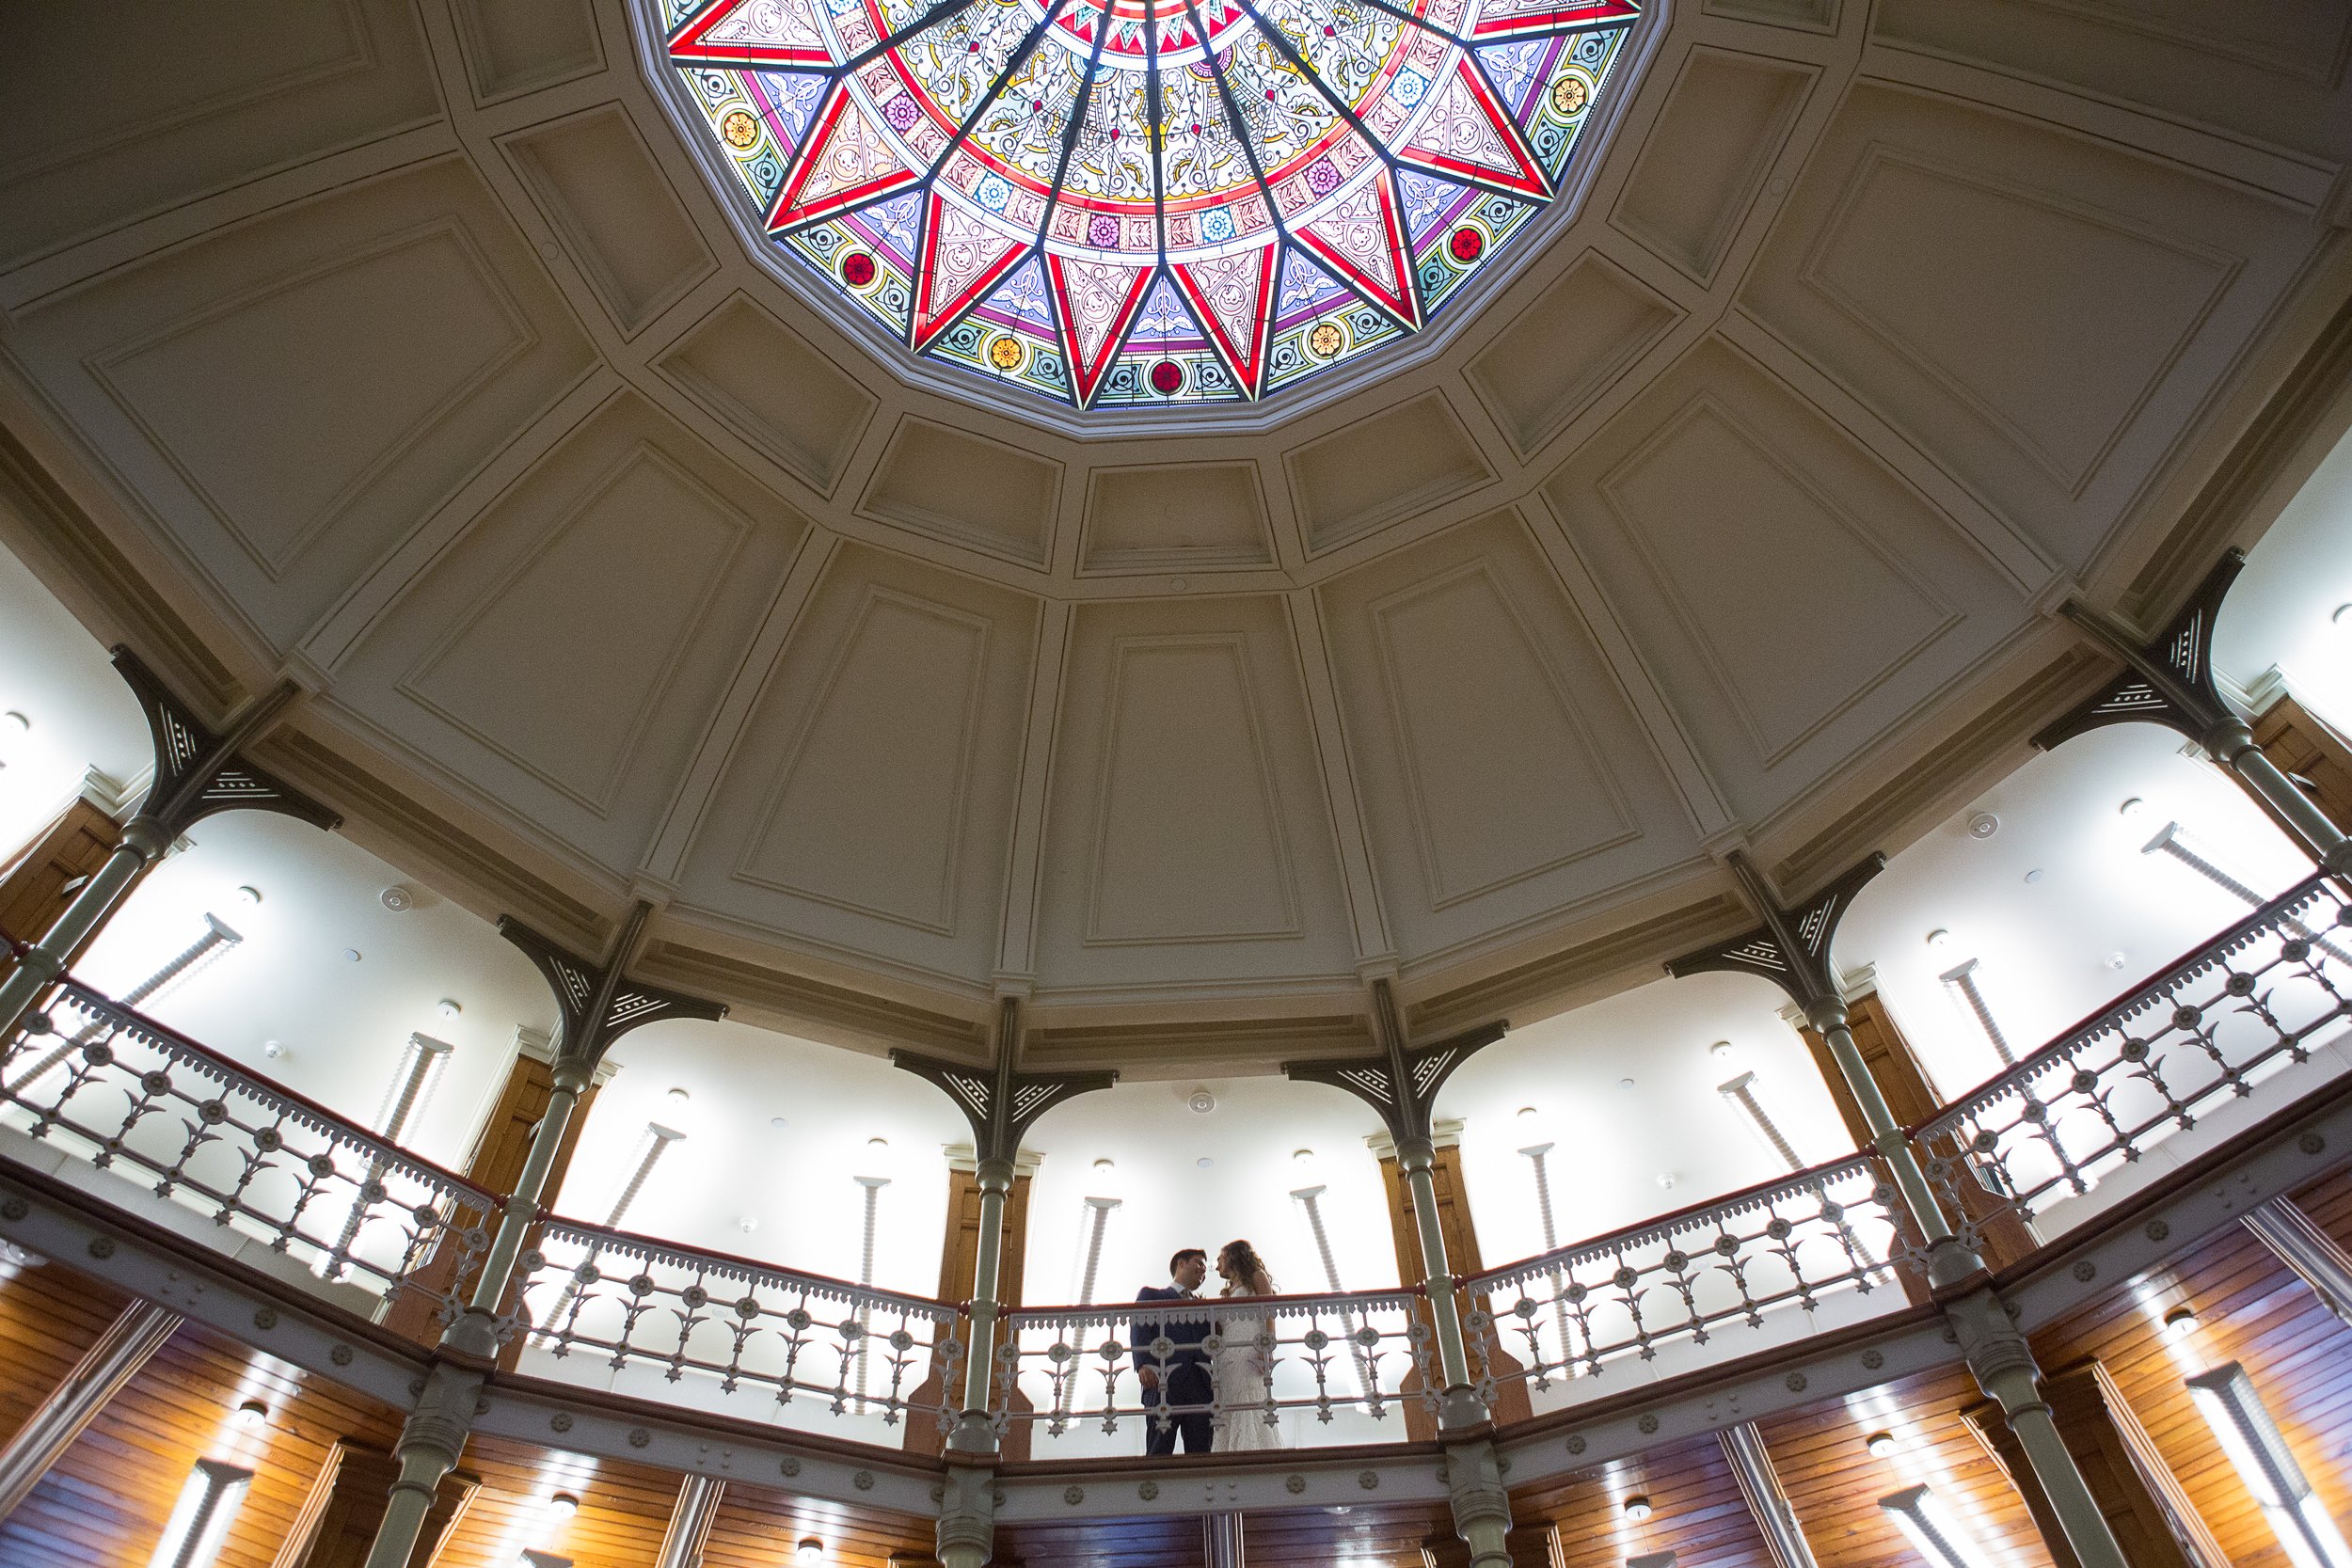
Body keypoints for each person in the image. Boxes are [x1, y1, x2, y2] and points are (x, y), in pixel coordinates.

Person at [1133, 1247, 1212, 1455]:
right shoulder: (1152, 1294)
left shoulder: (1204, 1306)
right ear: (1181, 1263)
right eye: (1199, 1263)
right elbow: (1139, 1327)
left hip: (1200, 1385)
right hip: (1162, 1380)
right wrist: (1142, 1364)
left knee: (1201, 1450)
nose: (1203, 1270)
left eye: (1205, 1268)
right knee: (1160, 1446)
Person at [1210, 1239, 1284, 1451]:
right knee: (1230, 1397)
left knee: (1249, 1395)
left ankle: (1254, 1448)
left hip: (1249, 1347)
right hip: (1228, 1352)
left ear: (1233, 1257)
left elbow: (1269, 1310)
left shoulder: (1256, 1277)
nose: (1217, 1266)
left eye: (1220, 1259)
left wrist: (1267, 1344)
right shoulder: (1230, 1289)